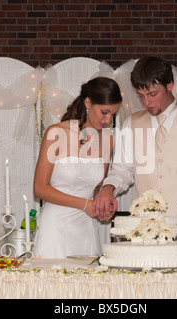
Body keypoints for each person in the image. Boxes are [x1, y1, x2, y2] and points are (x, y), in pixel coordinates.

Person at [93, 56, 177, 241]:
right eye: (141, 95)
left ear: (169, 85)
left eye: (153, 94)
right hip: (142, 231)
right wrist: (108, 187)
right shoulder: (132, 123)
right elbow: (122, 170)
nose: (147, 102)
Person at [33, 77, 122, 258]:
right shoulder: (56, 133)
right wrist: (85, 205)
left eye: (113, 114)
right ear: (88, 102)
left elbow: (98, 185)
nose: (108, 119)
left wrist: (103, 200)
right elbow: (40, 189)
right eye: (104, 112)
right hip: (56, 227)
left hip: (86, 228)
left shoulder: (108, 139)